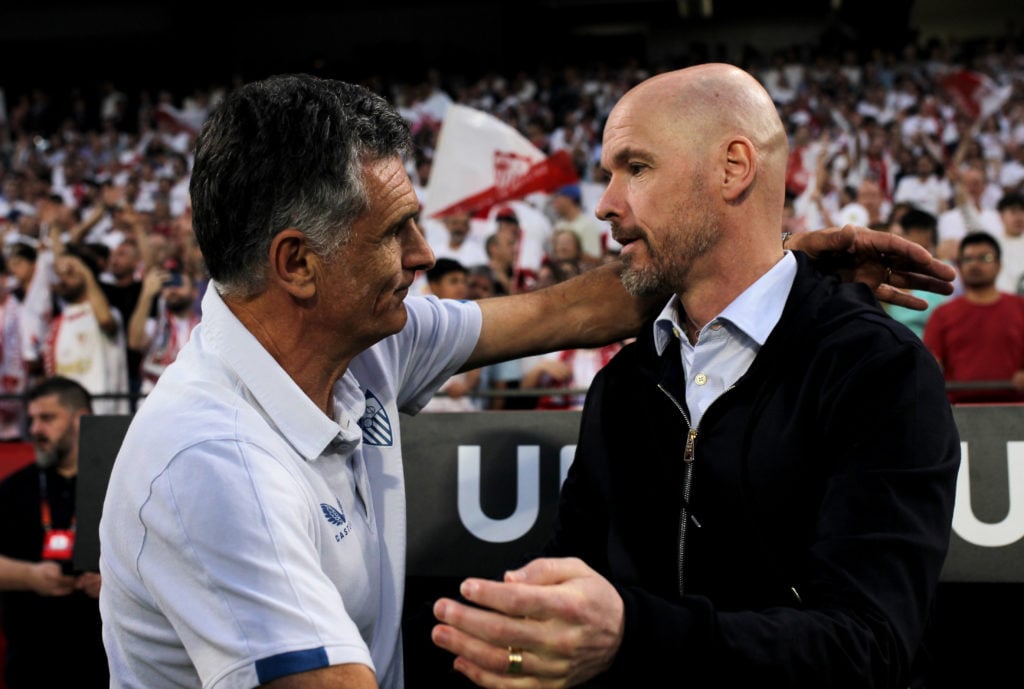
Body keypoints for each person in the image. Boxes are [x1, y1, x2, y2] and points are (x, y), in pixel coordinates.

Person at [98, 73, 953, 689]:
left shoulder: (368, 338)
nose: (427, 258)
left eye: (635, 168)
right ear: (299, 265)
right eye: (396, 233)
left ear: (733, 169)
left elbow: (559, 312)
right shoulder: (215, 466)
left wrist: (776, 268)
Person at [431, 63, 961, 689]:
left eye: (636, 167)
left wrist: (633, 633)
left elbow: (867, 648)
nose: (605, 204)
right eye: (608, 175)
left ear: (734, 168)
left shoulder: (877, 371)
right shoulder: (626, 384)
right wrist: (532, 638)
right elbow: (575, 577)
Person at [0, 376, 107, 688]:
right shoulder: (14, 488)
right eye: (31, 419)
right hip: (30, 664)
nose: (34, 430)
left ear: (81, 420)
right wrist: (29, 576)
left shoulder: (118, 485)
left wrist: (115, 582)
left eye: (47, 418)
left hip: (102, 664)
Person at [923, 231, 1024, 404]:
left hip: (1017, 411)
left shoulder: (1020, 307)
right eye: (968, 259)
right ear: (959, 267)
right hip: (958, 414)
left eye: (984, 258)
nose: (975, 265)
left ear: (999, 265)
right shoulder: (943, 314)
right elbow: (930, 365)